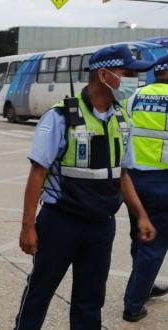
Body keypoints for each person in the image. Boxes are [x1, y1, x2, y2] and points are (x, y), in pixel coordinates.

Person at [14, 45, 157, 330]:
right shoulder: (61, 116)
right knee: (40, 292)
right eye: (127, 73)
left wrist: (140, 214)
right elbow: (37, 173)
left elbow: (123, 174)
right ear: (104, 74)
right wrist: (28, 226)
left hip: (101, 226)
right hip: (60, 223)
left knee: (90, 300)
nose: (133, 80)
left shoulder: (121, 119)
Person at [121, 54, 168, 322]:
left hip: (133, 180)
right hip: (163, 181)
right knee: (155, 243)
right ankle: (134, 305)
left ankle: (144, 284)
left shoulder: (134, 97)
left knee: (140, 235)